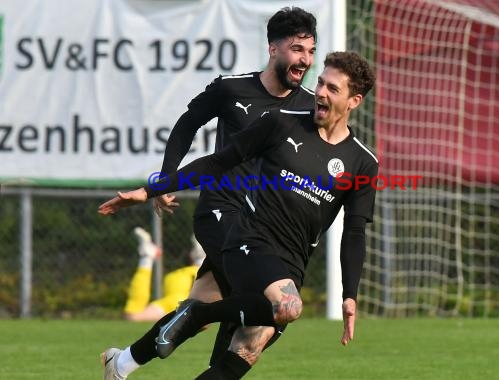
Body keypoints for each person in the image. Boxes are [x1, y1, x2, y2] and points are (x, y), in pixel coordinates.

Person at [98, 51, 378, 379]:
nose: (320, 92)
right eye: (320, 83)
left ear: (354, 100)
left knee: (245, 348)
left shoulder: (362, 163)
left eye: (333, 88)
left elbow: (354, 231)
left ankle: (120, 365)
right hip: (249, 239)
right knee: (288, 307)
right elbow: (217, 162)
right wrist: (151, 189)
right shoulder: (282, 122)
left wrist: (349, 295)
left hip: (291, 263)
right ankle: (199, 315)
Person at [124, 227, 205, 322]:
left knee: (132, 316)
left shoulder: (174, 275)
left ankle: (146, 258)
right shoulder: (195, 273)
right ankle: (201, 257)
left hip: (173, 300)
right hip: (191, 301)